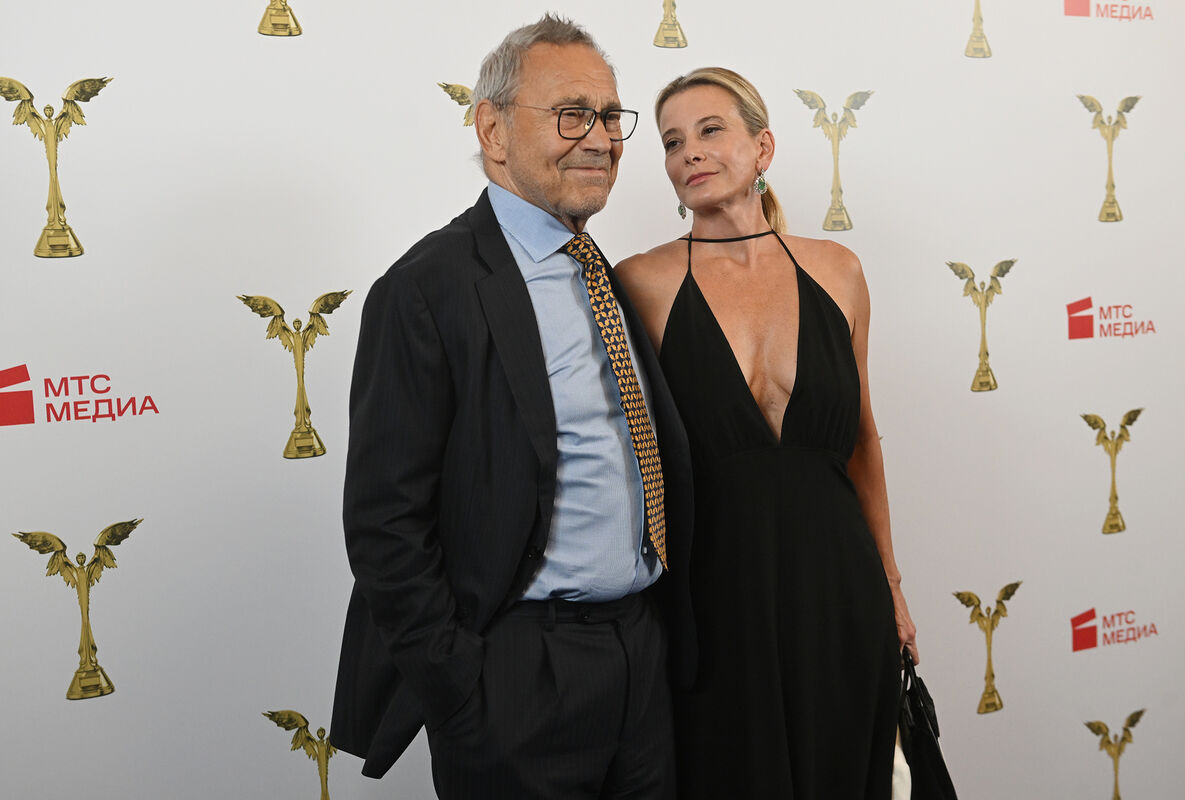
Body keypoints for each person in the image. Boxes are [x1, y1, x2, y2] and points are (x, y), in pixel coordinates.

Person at [329, 15, 694, 800]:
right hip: (516, 677)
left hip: (642, 659)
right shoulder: (426, 288)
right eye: (572, 114)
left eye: (610, 116)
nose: (601, 139)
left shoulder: (601, 273)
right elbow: (385, 522)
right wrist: (463, 689)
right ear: (492, 130)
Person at [617, 67, 917, 799]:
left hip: (839, 585)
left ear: (763, 148)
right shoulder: (640, 282)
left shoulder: (838, 270)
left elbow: (863, 443)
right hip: (715, 596)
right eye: (672, 142)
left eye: (710, 130)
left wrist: (891, 587)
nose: (689, 151)